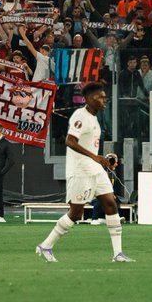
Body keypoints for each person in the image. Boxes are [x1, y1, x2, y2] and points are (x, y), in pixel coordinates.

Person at [35, 81, 132, 263]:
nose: (104, 100)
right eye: (100, 97)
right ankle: (46, 245)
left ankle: (118, 253)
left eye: (105, 97)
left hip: (94, 169)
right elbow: (70, 141)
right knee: (76, 213)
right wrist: (95, 158)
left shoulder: (94, 118)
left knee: (111, 204)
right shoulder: (80, 116)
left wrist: (103, 159)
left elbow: (90, 147)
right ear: (88, 99)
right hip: (80, 171)